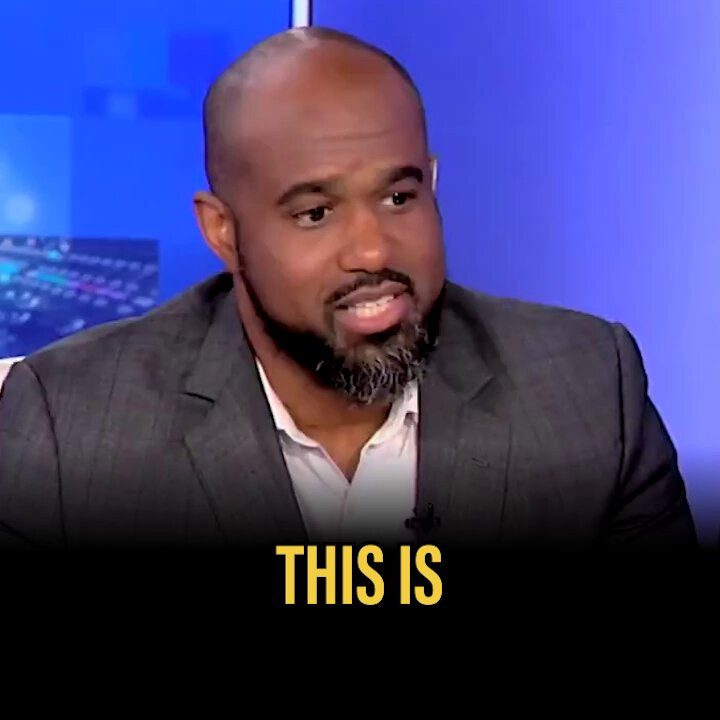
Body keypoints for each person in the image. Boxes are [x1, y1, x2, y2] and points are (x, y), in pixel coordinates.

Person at [0, 27, 696, 551]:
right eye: (315, 213)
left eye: (399, 197)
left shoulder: (586, 388)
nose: (372, 250)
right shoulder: (73, 430)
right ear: (223, 232)